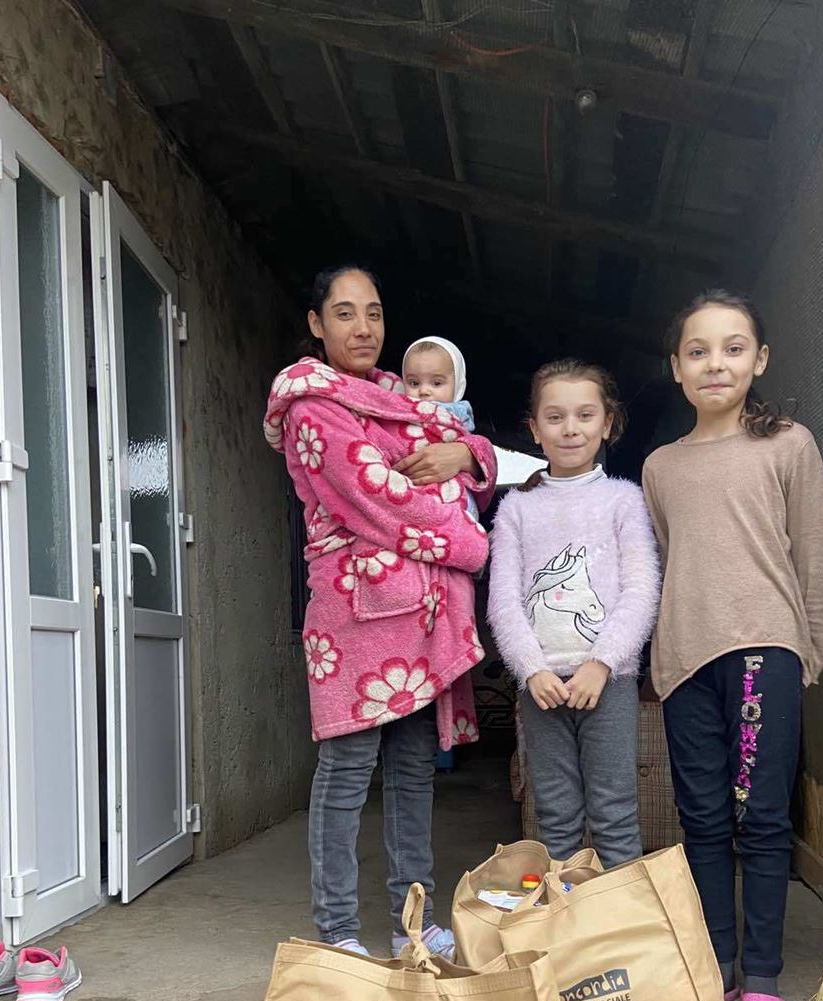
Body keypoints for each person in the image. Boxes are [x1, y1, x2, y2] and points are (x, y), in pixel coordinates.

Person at [264, 266, 497, 958]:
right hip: (357, 620)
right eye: (344, 313)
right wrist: (471, 545)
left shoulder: (398, 395)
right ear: (316, 324)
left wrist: (463, 451)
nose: (363, 328)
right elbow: (378, 497)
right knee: (347, 772)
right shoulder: (312, 407)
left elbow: (468, 447)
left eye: (373, 312)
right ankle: (338, 929)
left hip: (419, 620)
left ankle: (411, 921)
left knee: (414, 770)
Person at [642, 289, 823, 1001]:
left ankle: (762, 976)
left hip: (764, 650)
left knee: (760, 817)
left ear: (760, 359)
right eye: (697, 351)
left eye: (732, 347)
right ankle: (717, 963)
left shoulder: (789, 445)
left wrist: (809, 649)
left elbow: (812, 554)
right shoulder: (661, 466)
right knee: (701, 818)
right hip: (685, 660)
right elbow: (670, 559)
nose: (715, 363)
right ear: (676, 368)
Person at [487, 358, 660, 866]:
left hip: (608, 683)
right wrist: (531, 670)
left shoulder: (624, 500)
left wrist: (601, 663)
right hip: (541, 688)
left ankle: (615, 914)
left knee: (615, 814)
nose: (570, 428)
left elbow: (641, 589)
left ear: (607, 424)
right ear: (534, 429)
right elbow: (503, 600)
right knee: (555, 817)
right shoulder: (516, 509)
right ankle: (562, 912)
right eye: (555, 417)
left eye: (585, 415)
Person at [402, 336, 480, 519]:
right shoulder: (398, 412)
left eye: (436, 383)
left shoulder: (458, 417)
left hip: (453, 496)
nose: (424, 391)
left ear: (458, 385)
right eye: (414, 383)